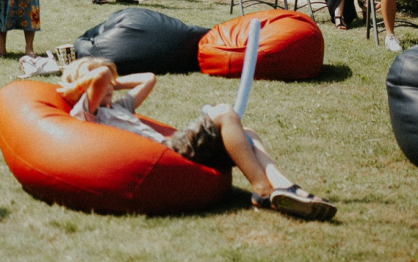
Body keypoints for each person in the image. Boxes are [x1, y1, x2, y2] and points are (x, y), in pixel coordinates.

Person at [58, 57, 335, 220]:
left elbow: (149, 79)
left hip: (170, 147)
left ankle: (284, 185)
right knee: (225, 113)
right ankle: (261, 190)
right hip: (164, 152)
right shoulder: (88, 112)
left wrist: (114, 83)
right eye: (101, 85)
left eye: (110, 86)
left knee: (247, 132)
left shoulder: (118, 107)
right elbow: (102, 74)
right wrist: (90, 82)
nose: (107, 87)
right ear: (85, 88)